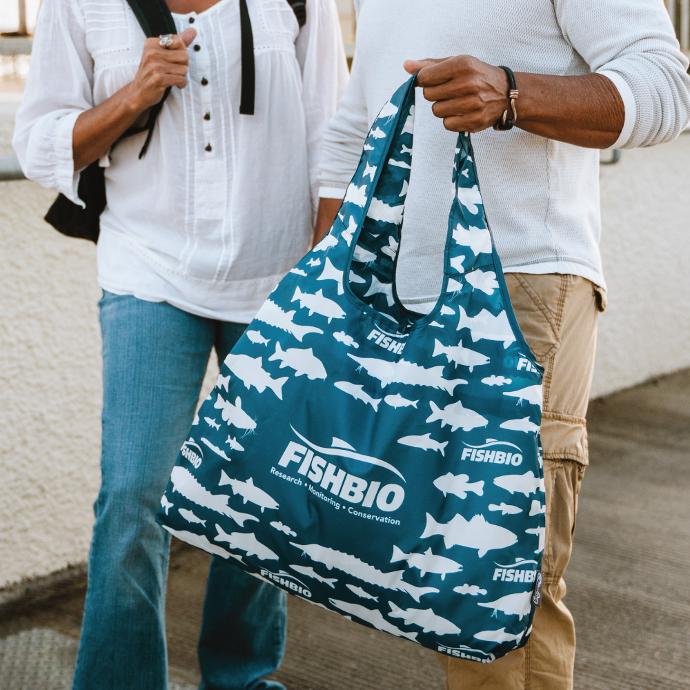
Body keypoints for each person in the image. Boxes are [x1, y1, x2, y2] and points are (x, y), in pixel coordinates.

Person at [314, 1, 690, 688]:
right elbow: (350, 133)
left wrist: (513, 93)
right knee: (428, 577)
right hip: (402, 297)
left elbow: (668, 87)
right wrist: (329, 294)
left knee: (498, 581)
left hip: (518, 290)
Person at [13, 0, 347, 688]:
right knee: (136, 490)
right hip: (148, 268)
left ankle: (243, 677)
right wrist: (134, 93)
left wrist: (323, 273)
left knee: (260, 494)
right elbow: (40, 140)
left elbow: (333, 135)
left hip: (280, 276)